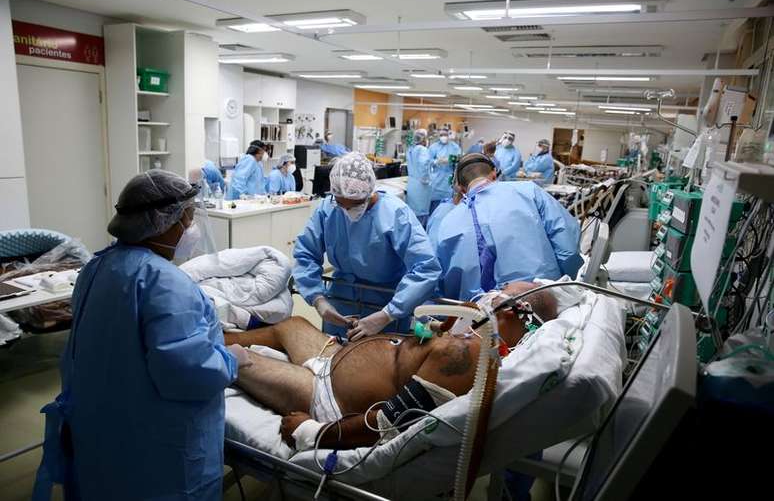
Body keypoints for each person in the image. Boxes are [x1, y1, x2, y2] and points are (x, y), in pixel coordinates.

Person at [33, 170, 252, 500]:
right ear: (164, 222)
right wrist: (230, 361)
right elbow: (186, 375)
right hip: (157, 453)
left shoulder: (97, 266)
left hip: (101, 431)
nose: (191, 230)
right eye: (188, 220)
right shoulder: (166, 283)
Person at [224, 281, 557, 451]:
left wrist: (315, 433)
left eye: (500, 293)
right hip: (333, 359)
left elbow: (391, 423)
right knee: (291, 324)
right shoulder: (470, 335)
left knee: (240, 361)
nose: (491, 293)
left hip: (327, 398)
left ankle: (192, 346)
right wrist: (457, 320)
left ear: (515, 310)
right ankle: (217, 330)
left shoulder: (471, 357)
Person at [293, 153, 441, 338]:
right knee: (335, 358)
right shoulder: (328, 209)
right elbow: (306, 253)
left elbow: (426, 268)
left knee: (379, 363)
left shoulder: (396, 214)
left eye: (354, 205)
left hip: (385, 305)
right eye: (340, 204)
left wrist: (388, 314)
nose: (347, 212)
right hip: (341, 302)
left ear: (370, 193)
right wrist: (318, 299)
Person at [433, 154, 582, 301]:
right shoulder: (529, 191)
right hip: (545, 298)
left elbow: (444, 282)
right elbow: (567, 246)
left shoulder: (449, 222)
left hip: (488, 314)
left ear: (460, 188)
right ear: (494, 174)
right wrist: (565, 286)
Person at [428, 128, 462, 215]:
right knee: (434, 209)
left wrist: (451, 159)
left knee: (448, 208)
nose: (443, 137)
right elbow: (428, 161)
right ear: (438, 136)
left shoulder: (454, 147)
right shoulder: (433, 147)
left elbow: (460, 158)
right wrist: (436, 161)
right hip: (436, 180)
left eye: (445, 135)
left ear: (448, 135)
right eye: (441, 135)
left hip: (449, 179)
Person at [406, 128, 433, 226]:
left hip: (412, 184)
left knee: (412, 214)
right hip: (421, 187)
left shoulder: (410, 149)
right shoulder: (423, 150)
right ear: (423, 139)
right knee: (421, 215)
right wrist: (426, 180)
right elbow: (424, 164)